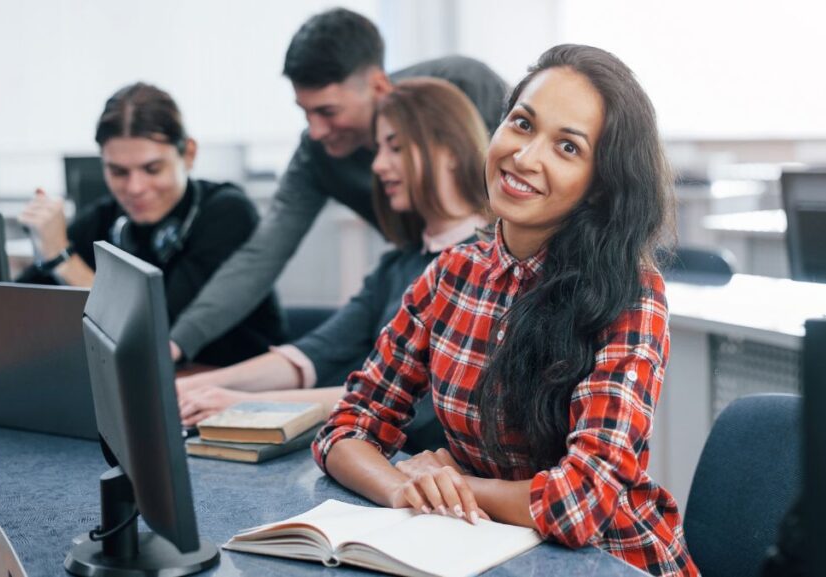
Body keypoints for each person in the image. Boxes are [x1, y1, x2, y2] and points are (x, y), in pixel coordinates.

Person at [311, 45, 699, 577]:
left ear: (600, 183)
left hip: (608, 561)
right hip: (483, 552)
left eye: (567, 147)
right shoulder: (451, 275)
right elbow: (347, 427)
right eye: (522, 124)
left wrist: (457, 488)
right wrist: (409, 487)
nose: (525, 157)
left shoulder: (630, 294)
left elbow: (579, 503)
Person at [166, 8, 506, 363]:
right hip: (416, 291)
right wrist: (178, 342)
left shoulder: (463, 87)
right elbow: (262, 255)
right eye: (305, 112)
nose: (315, 131)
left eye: (327, 112)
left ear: (377, 86)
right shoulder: (317, 155)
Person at [176, 78, 491, 452]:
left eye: (396, 148)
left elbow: (411, 403)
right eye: (379, 148)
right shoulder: (399, 265)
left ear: (450, 150)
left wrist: (246, 404)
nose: (377, 164)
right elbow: (318, 351)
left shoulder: (484, 267)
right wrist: (195, 388)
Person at [17, 82, 282, 367]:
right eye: (118, 172)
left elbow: (154, 336)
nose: (135, 188)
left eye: (152, 169)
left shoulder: (228, 213)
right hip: (152, 390)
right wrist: (45, 249)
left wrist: (63, 260)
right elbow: (16, 307)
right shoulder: (106, 216)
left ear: (189, 154)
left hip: (237, 391)